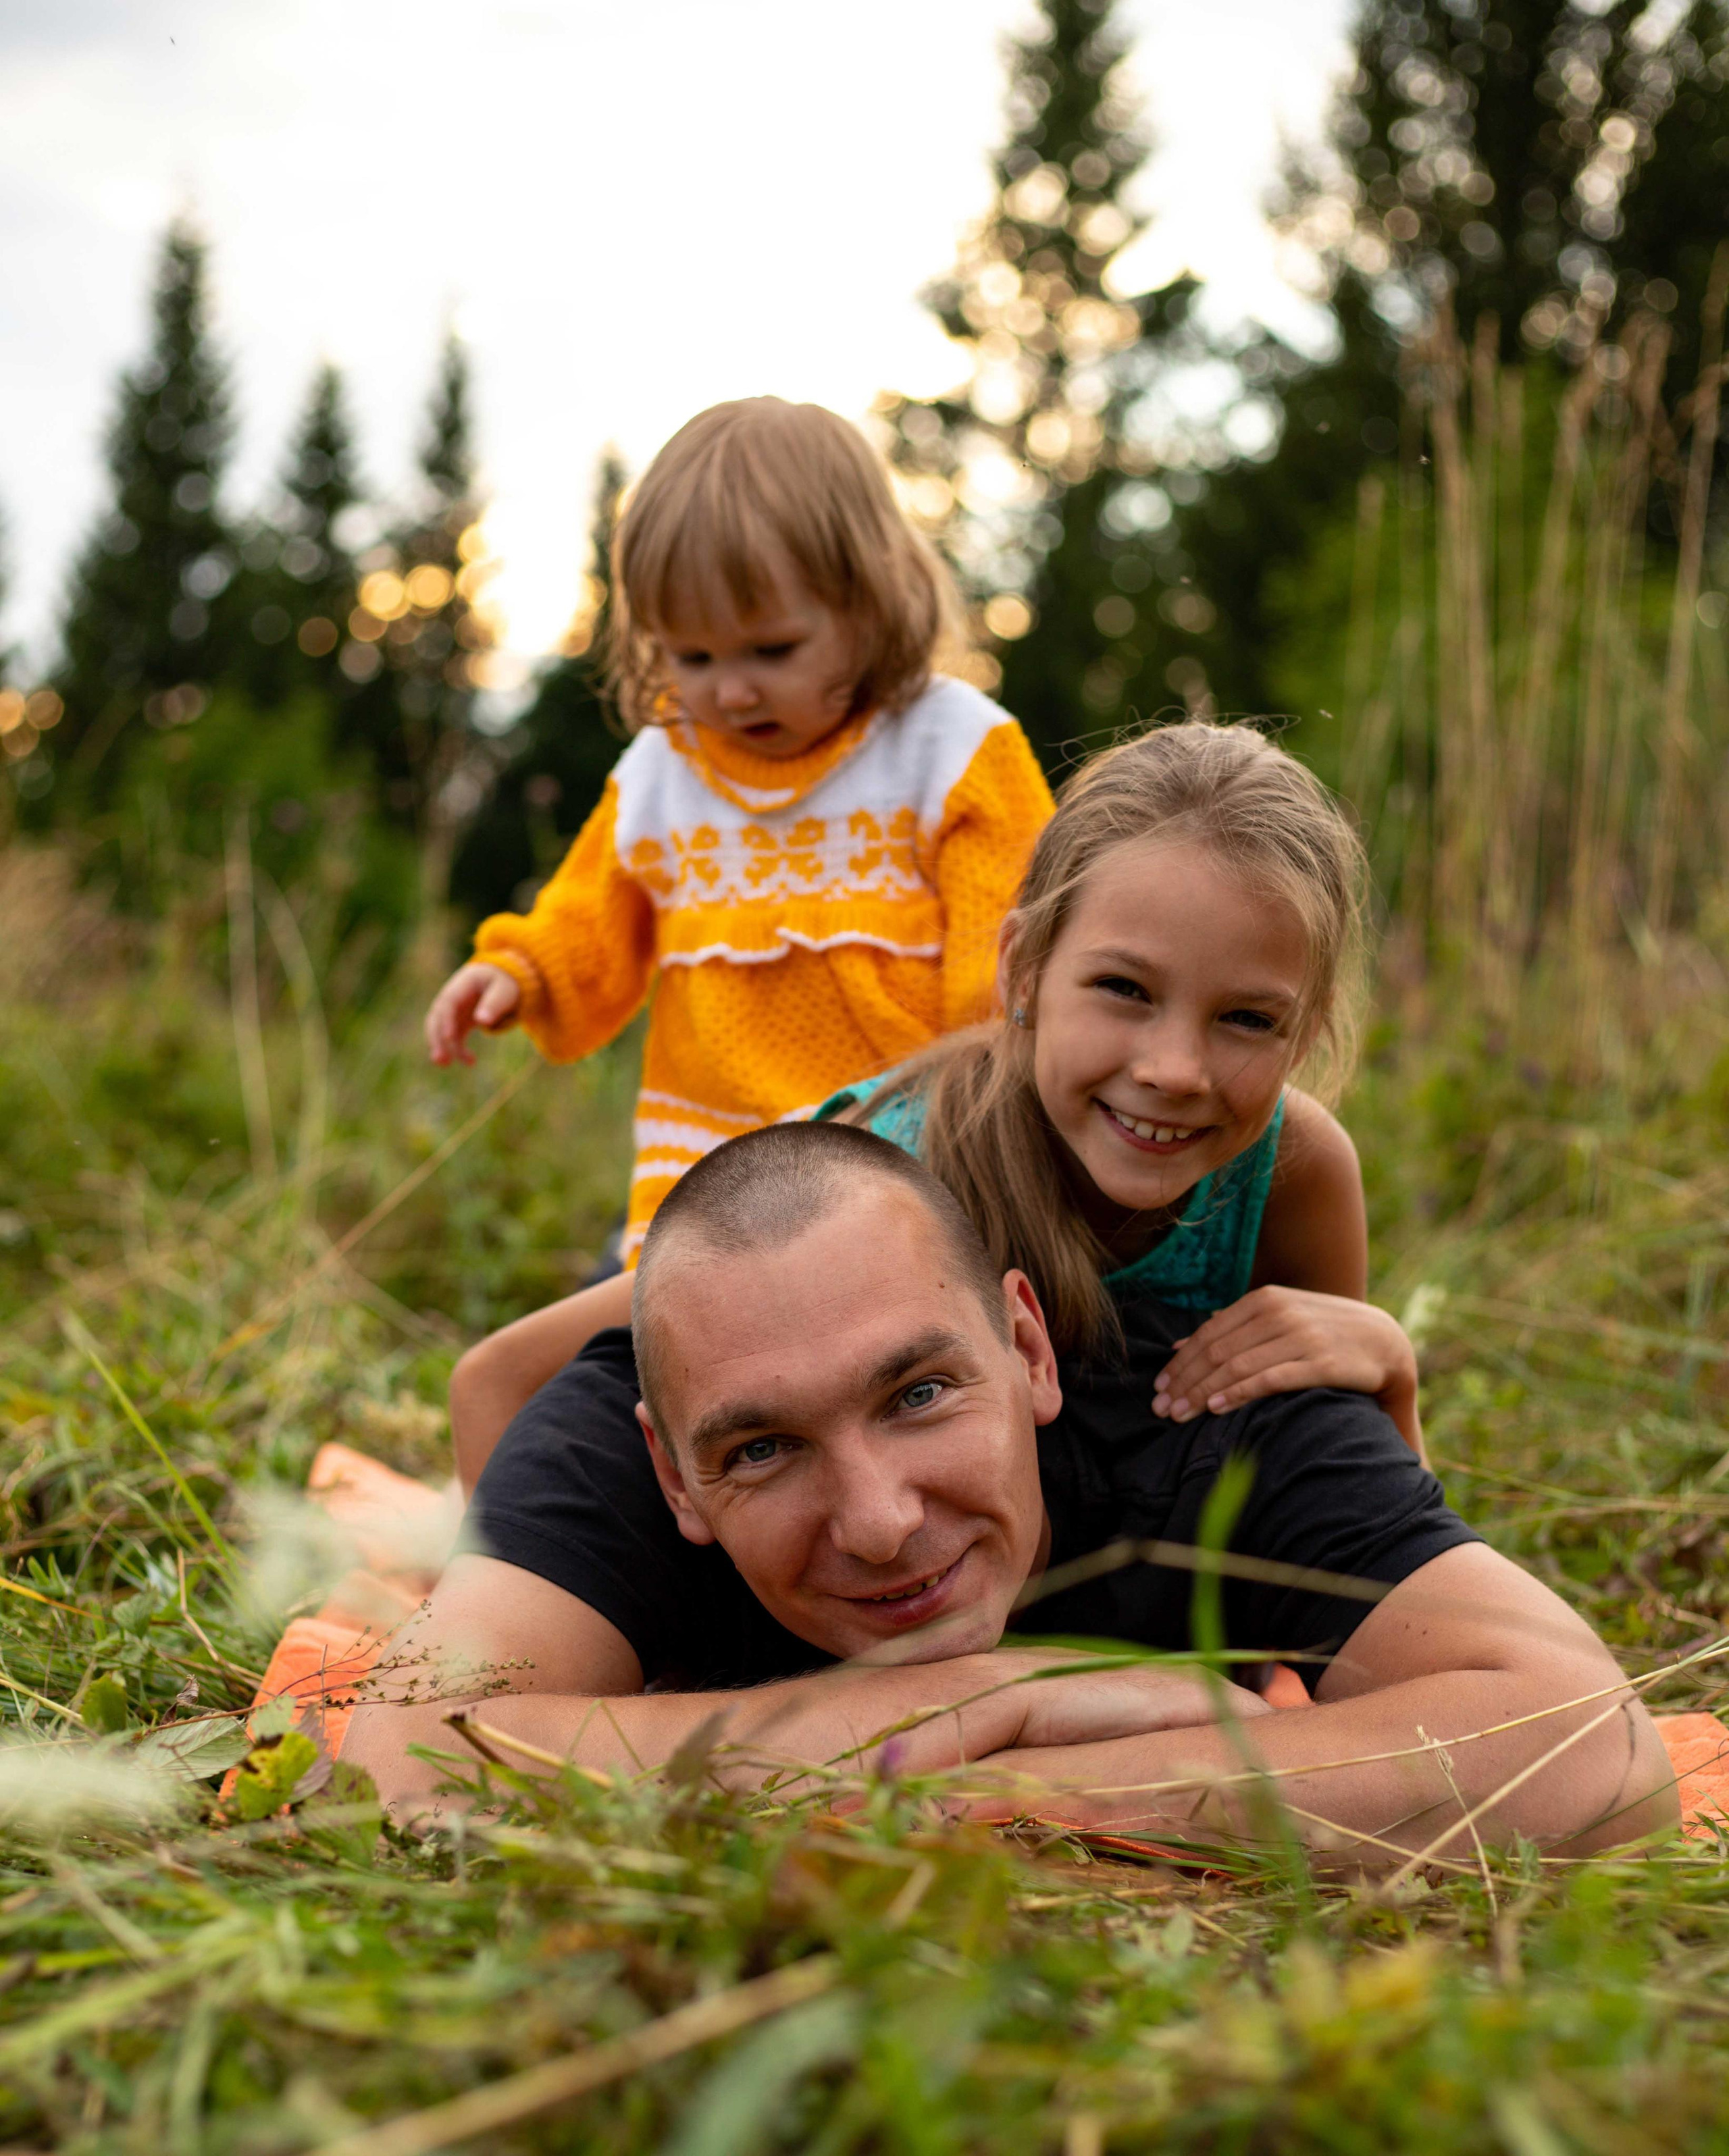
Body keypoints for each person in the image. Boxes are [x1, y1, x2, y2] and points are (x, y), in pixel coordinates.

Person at [342, 1122, 1676, 1863]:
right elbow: (404, 1756)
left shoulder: (1212, 1412)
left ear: (1027, 1348)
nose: (876, 1522)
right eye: (760, 1451)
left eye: (918, 1394)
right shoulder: (604, 1433)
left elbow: (1595, 1751)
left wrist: (1036, 1787)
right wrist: (989, 1697)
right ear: (671, 1468)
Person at [446, 718, 1422, 1496]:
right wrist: (510, 1611)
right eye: (1124, 989)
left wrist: (1389, 1366)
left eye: (1247, 1018)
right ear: (1023, 970)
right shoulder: (893, 1171)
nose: (1175, 1068)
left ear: (1310, 1031)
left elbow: (1357, 1490)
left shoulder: (1294, 1173)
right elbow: (496, 1378)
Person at [425, 398, 1054, 1488]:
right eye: (694, 655)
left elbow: (1005, 977)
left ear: (871, 602)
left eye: (772, 647)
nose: (730, 688)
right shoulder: (664, 774)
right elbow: (589, 921)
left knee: (886, 1385)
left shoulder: (953, 750)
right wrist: (515, 970)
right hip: (700, 1178)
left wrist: (987, 1112)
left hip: (901, 1165)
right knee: (652, 1394)